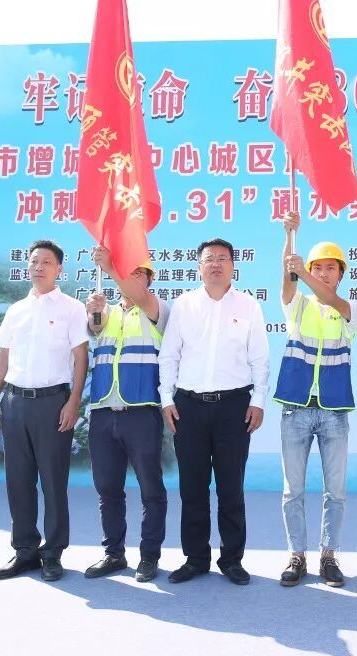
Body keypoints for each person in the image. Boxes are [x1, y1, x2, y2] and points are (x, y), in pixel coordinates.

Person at [158, 238, 270, 586]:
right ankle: (195, 558)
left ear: (234, 266)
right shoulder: (184, 305)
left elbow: (260, 359)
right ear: (199, 267)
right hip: (188, 407)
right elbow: (169, 355)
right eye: (209, 259)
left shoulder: (249, 306)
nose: (216, 264)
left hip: (234, 407)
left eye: (223, 258)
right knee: (192, 487)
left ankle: (232, 559)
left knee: (230, 487)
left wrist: (259, 400)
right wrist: (166, 399)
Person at [0, 240, 88, 582]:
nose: (39, 267)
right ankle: (25, 551)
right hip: (14, 402)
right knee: (18, 481)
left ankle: (53, 553)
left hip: (53, 404)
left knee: (53, 482)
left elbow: (81, 357)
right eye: (34, 261)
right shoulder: (16, 310)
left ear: (59, 269)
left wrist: (73, 401)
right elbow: (3, 357)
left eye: (46, 262)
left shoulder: (72, 308)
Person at [273, 212, 357, 588]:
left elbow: (329, 298)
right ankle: (297, 555)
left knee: (335, 491)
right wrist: (290, 236)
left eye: (330, 268)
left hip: (334, 413)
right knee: (292, 490)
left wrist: (302, 272)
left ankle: (329, 555)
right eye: (317, 268)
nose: (323, 274)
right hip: (295, 409)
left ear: (340, 274)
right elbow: (288, 281)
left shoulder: (350, 308)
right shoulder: (298, 305)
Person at [82, 247, 170, 583]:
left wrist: (111, 267)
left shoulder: (156, 310)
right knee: (107, 489)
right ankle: (113, 554)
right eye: (127, 272)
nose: (132, 279)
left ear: (149, 279)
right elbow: (93, 331)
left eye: (138, 273)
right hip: (103, 412)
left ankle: (149, 557)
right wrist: (94, 313)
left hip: (141, 412)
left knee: (150, 489)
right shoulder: (106, 312)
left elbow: (140, 297)